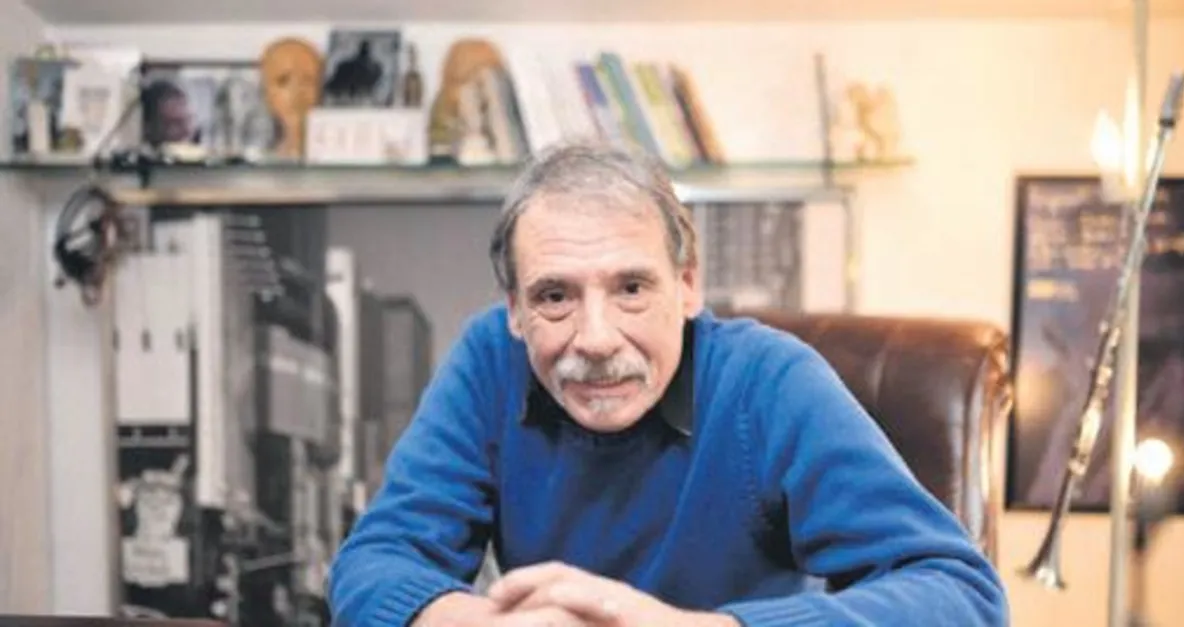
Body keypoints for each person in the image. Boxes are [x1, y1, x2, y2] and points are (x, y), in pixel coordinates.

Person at [328, 140, 1008, 626]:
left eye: (631, 288)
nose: (596, 338)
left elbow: (961, 596)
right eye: (555, 296)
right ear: (514, 310)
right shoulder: (489, 361)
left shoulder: (769, 379)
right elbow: (373, 563)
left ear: (687, 285)